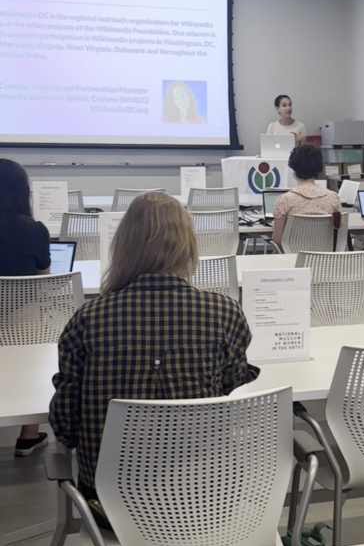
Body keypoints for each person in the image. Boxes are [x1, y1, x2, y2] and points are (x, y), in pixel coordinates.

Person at [49, 193, 259, 509]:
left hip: (111, 505)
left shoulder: (87, 320)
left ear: (123, 248)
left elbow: (65, 426)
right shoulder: (225, 314)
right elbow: (230, 393)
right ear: (188, 247)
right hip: (203, 500)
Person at [0, 159, 51, 456]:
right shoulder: (35, 230)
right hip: (22, 332)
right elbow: (41, 287)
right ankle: (28, 434)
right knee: (44, 317)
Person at [272, 145, 341, 248]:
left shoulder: (284, 200)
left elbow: (277, 240)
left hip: (292, 258)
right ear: (319, 169)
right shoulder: (333, 198)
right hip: (325, 259)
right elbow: (339, 230)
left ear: (293, 169)